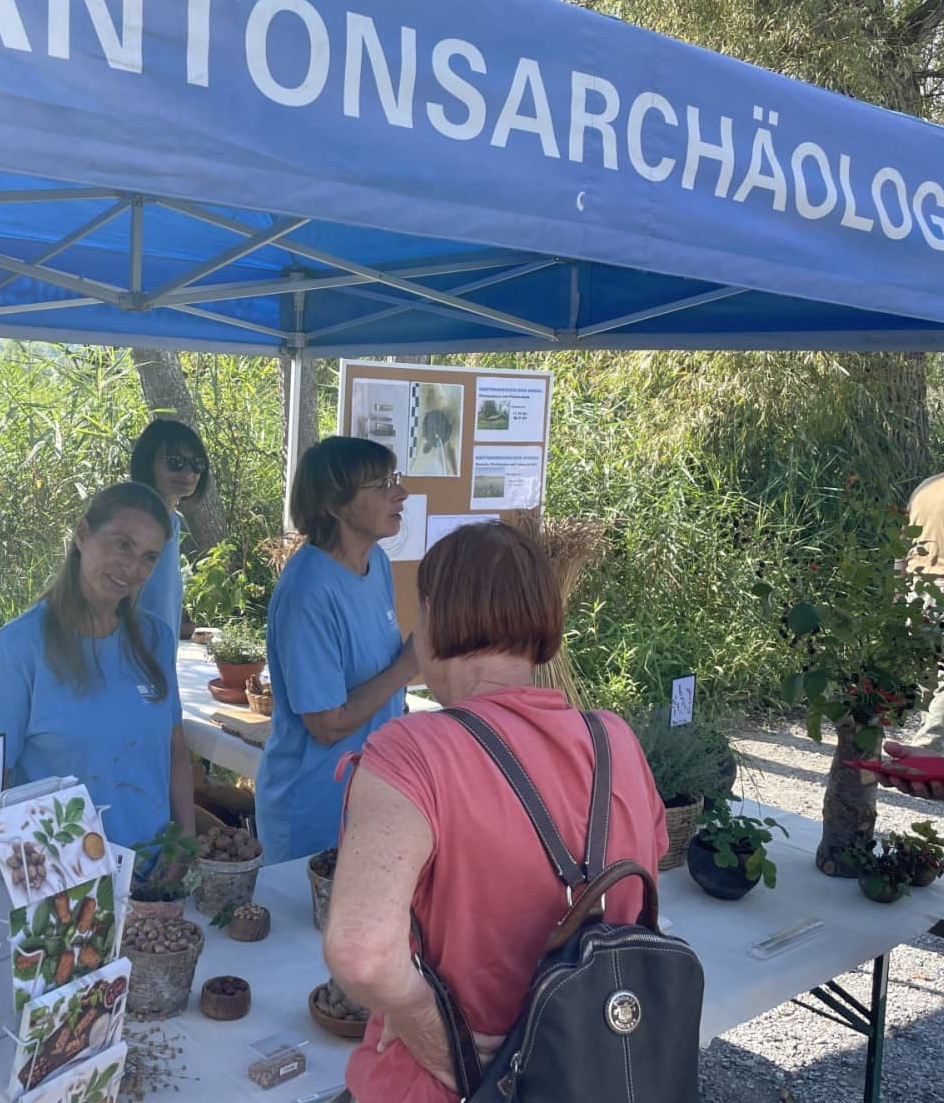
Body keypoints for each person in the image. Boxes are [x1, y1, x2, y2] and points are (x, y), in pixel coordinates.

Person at [323, 522, 667, 1103]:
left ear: (430, 617)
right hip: (597, 1071)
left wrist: (436, 1039)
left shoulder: (413, 749)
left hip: (452, 1088)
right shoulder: (615, 741)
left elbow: (362, 951)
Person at [0, 482, 195, 852]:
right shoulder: (12, 654)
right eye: (122, 544)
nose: (132, 568)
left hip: (157, 884)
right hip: (66, 893)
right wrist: (42, 880)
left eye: (149, 557)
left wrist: (183, 847)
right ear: (82, 534)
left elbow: (175, 750)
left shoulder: (156, 640)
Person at [254, 436, 418, 864]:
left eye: (394, 479)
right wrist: (408, 667)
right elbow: (326, 725)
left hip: (368, 793)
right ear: (336, 505)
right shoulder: (308, 592)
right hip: (314, 806)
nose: (400, 493)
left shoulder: (375, 563)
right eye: (382, 485)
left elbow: (378, 678)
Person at [129, 419, 210, 640]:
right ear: (148, 462)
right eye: (175, 462)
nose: (188, 472)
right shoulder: (133, 522)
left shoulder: (171, 521)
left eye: (197, 464)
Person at [899, 468, 944, 755]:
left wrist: (898, 592)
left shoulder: (928, 485)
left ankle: (928, 745)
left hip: (918, 588)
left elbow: (904, 544)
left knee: (928, 674)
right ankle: (929, 753)